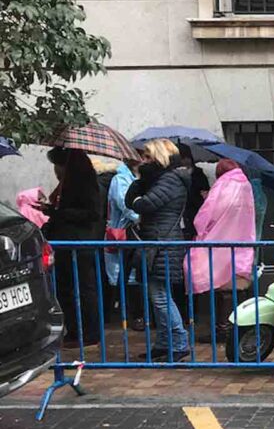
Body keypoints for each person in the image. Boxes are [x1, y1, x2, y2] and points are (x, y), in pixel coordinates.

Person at [125, 139, 191, 361]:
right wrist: (140, 185)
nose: (143, 161)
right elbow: (133, 201)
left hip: (162, 244)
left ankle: (179, 342)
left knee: (161, 297)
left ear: (159, 157)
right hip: (157, 242)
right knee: (158, 296)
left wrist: (138, 190)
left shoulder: (170, 180)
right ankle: (164, 343)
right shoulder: (161, 179)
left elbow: (145, 205)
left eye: (147, 157)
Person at [39, 148, 104, 347]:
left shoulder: (86, 185)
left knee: (84, 289)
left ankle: (89, 332)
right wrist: (52, 211)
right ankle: (75, 329)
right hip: (67, 241)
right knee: (66, 288)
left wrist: (61, 213)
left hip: (79, 242)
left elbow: (91, 213)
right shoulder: (67, 185)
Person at [187, 159, 256, 343]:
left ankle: (222, 328)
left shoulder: (223, 185)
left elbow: (209, 213)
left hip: (220, 241)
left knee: (221, 284)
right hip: (241, 239)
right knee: (236, 283)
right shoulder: (245, 185)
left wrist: (200, 230)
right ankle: (237, 327)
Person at [103, 160, 140, 325]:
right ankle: (127, 314)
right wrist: (141, 217)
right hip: (123, 232)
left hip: (132, 232)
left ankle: (131, 313)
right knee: (123, 273)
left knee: (129, 272)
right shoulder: (121, 179)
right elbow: (125, 204)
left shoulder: (133, 177)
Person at [177, 145, 210, 240]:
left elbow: (205, 190)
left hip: (195, 211)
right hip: (181, 211)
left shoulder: (199, 173)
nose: (184, 161)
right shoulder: (175, 175)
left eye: (185, 158)